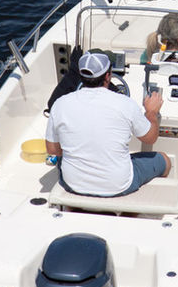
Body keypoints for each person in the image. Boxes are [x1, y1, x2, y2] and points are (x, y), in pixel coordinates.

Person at [45, 52, 171, 197]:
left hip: (73, 183)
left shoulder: (60, 104)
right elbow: (150, 138)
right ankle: (138, 209)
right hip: (119, 185)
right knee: (164, 160)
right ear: (107, 76)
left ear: (81, 76)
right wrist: (151, 112)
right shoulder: (126, 104)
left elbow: (52, 149)